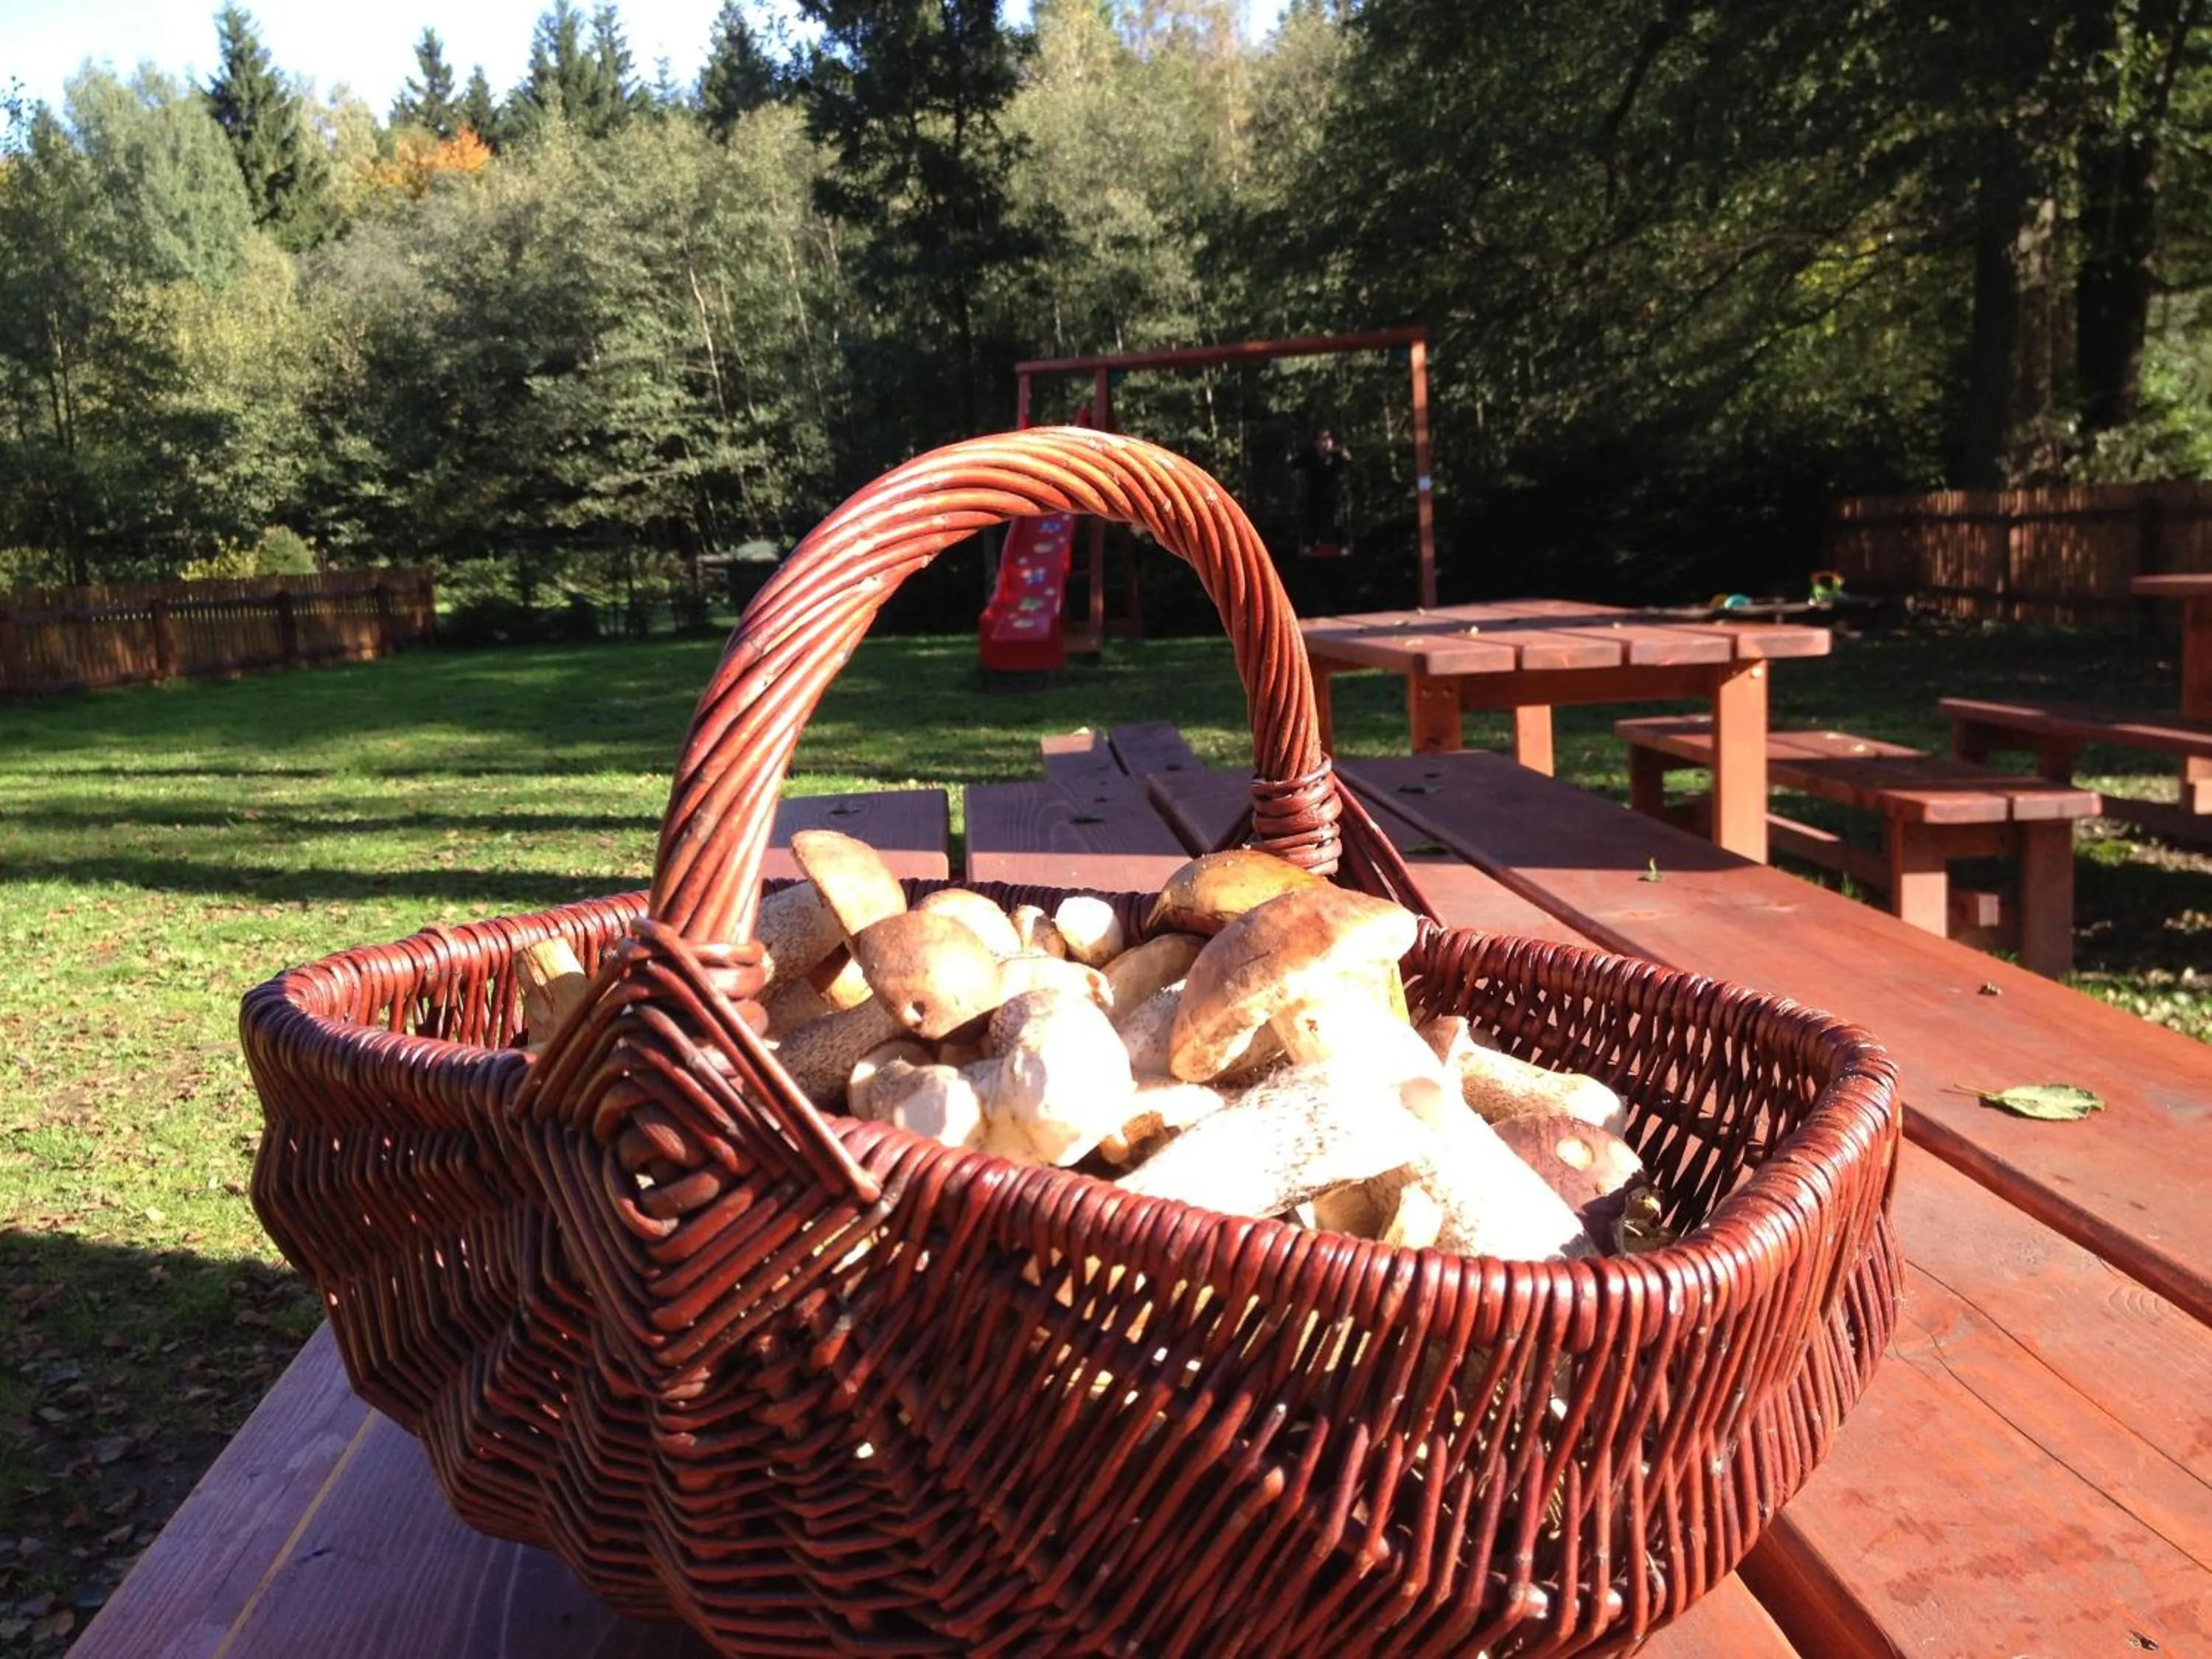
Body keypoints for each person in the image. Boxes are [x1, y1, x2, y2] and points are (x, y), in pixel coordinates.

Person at [1289, 428, 1351, 557]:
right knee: (1312, 520)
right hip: (1314, 494)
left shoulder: (1336, 455)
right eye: (1322, 440)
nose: (1326, 443)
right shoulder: (1310, 455)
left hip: (1332, 494)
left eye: (1328, 440)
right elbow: (1295, 464)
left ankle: (1343, 545)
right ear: (1316, 443)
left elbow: (1348, 465)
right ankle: (1310, 545)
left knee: (1337, 520)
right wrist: (1290, 460)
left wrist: (1347, 457)